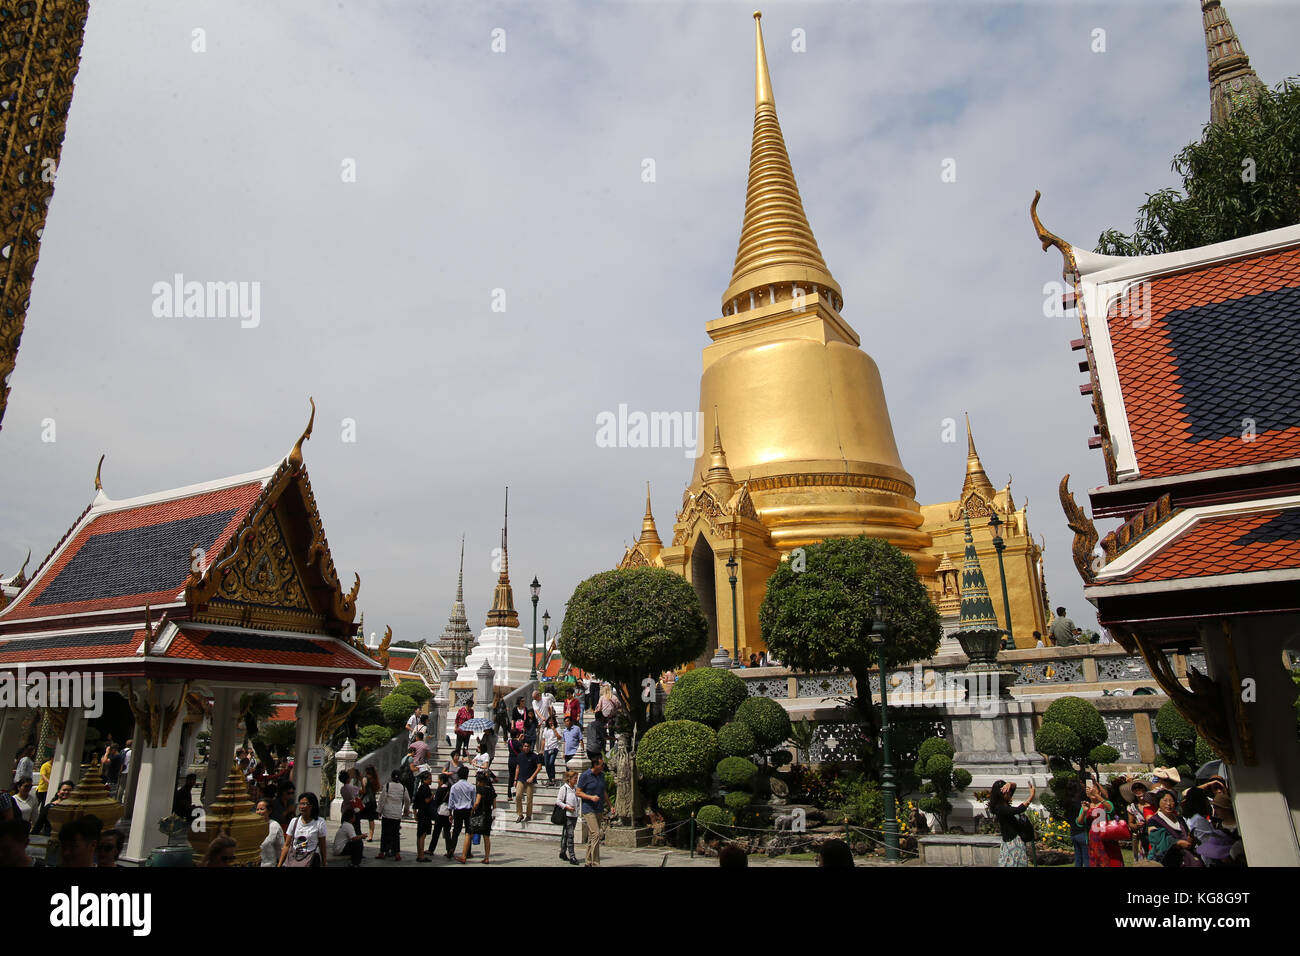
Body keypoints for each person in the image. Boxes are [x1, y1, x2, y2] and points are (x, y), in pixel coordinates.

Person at [1146, 790, 1202, 867]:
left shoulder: (1180, 819)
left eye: (1171, 801)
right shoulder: (1154, 821)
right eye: (1165, 801)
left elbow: (1186, 834)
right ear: (1158, 802)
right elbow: (1157, 840)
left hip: (1184, 858)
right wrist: (1177, 842)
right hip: (1165, 860)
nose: (1168, 804)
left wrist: (1190, 839)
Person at [988, 778, 1036, 867]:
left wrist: (1010, 784)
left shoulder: (1004, 803)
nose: (1009, 793)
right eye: (1006, 792)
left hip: (1017, 841)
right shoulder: (999, 808)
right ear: (1000, 794)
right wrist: (1031, 796)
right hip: (1011, 843)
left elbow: (1014, 787)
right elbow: (1018, 810)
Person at [1079, 778, 1123, 867]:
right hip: (1094, 840)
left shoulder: (1106, 803)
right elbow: (1079, 823)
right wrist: (1084, 811)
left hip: (1107, 838)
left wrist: (1098, 796)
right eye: (1090, 791)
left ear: (1099, 792)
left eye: (1094, 790)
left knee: (1112, 862)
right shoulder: (1086, 805)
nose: (1092, 792)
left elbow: (1110, 810)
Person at [456, 770, 496, 864]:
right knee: (486, 836)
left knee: (468, 833)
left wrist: (472, 810)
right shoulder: (491, 790)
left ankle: (464, 856)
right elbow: (494, 806)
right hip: (488, 815)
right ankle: (486, 858)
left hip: (478, 815)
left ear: (479, 781)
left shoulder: (480, 789)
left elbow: (477, 802)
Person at [279, 792, 328, 867]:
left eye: (305, 804)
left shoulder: (319, 822)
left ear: (312, 806)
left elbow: (322, 845)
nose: (302, 807)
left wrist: (324, 862)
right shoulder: (294, 821)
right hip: (294, 859)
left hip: (311, 859)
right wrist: (280, 864)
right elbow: (287, 845)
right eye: (300, 804)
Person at [577, 754, 608, 867]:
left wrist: (610, 805)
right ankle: (596, 863)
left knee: (592, 836)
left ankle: (588, 861)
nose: (603, 766)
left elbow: (603, 791)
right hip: (588, 808)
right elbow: (578, 792)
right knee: (596, 834)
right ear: (595, 765)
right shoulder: (585, 776)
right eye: (601, 764)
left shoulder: (601, 776)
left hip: (598, 808)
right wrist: (591, 797)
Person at [377, 769, 410, 861]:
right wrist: (406, 810)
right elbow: (407, 800)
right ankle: (397, 853)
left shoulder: (387, 786)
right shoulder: (403, 788)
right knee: (395, 834)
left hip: (387, 813)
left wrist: (379, 810)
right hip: (396, 813)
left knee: (385, 834)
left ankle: (382, 852)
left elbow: (382, 799)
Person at [1120, 778, 1151, 861]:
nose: (1138, 790)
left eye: (1140, 787)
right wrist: (1136, 825)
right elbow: (1130, 824)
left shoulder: (1152, 803)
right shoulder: (1132, 807)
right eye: (1135, 788)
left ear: (1144, 789)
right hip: (1142, 837)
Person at [448, 765, 476, 859]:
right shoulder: (471, 787)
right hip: (468, 810)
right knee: (468, 831)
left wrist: (450, 813)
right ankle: (468, 852)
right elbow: (473, 801)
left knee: (456, 831)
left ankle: (451, 848)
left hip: (457, 810)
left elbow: (451, 801)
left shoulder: (454, 787)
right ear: (467, 775)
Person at [555, 769, 580, 865]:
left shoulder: (575, 789)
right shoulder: (564, 788)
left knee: (566, 834)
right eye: (574, 778)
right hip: (567, 815)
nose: (576, 780)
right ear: (569, 779)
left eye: (576, 778)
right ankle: (572, 856)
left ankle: (562, 852)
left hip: (574, 815)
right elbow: (558, 801)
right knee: (570, 835)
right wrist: (567, 807)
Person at [1063, 778, 1088, 867]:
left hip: (1073, 833)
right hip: (1082, 832)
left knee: (1078, 859)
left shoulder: (1067, 801)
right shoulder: (1079, 803)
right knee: (1087, 859)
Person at [515, 740, 542, 822]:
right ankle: (520, 814)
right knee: (518, 796)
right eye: (525, 746)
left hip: (530, 780)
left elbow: (539, 767)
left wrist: (532, 777)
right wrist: (515, 779)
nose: (526, 748)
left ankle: (528, 815)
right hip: (521, 779)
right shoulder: (520, 756)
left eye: (527, 746)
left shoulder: (534, 756)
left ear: (530, 747)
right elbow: (517, 768)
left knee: (529, 799)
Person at [431, 772, 456, 859]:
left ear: (441, 780)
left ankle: (431, 849)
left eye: (438, 779)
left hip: (440, 812)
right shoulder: (450, 789)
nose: (438, 781)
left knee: (436, 832)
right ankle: (449, 850)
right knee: (447, 832)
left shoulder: (440, 790)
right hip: (448, 812)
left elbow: (436, 802)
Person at [414, 770, 436, 862]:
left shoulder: (420, 788)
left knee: (420, 835)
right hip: (425, 814)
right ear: (425, 779)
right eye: (429, 779)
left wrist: (415, 814)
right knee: (422, 835)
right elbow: (427, 800)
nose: (431, 780)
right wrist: (432, 796)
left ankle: (420, 854)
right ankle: (421, 855)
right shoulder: (425, 788)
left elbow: (415, 803)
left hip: (421, 813)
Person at [255, 799, 284, 867]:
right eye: (257, 809)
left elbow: (281, 848)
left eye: (262, 809)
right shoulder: (252, 825)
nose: (259, 812)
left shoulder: (275, 826)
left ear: (269, 811)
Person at [361, 766, 380, 840]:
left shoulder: (365, 779)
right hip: (373, 801)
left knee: (358, 816)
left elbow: (363, 790)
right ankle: (371, 836)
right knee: (371, 819)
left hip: (365, 801)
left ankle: (359, 833)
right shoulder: (375, 779)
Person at [541, 715, 561, 784]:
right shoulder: (546, 729)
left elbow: (559, 738)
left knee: (551, 762)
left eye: (552, 721)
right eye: (549, 721)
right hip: (547, 748)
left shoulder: (557, 728)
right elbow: (543, 739)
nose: (550, 722)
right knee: (546, 764)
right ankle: (550, 778)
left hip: (554, 747)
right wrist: (542, 749)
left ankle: (553, 777)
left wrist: (554, 729)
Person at [506, 731, 523, 799]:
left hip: (510, 760)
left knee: (511, 777)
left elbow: (514, 744)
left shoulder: (509, 742)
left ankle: (509, 795)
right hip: (517, 761)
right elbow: (521, 750)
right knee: (517, 777)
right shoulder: (518, 743)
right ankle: (517, 793)